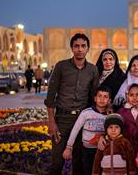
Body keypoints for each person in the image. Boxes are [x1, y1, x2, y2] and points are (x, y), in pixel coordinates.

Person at [44, 33, 99, 175]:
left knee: (79, 163)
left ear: (87, 49)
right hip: (62, 120)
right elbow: (50, 97)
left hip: (82, 120)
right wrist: (51, 122)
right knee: (57, 162)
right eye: (76, 46)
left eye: (83, 46)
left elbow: (94, 96)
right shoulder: (61, 66)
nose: (80, 49)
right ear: (72, 48)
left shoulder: (93, 70)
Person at [62, 86, 112, 175]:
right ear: (95, 98)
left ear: (109, 100)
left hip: (103, 151)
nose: (102, 99)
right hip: (87, 151)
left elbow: (113, 133)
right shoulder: (86, 112)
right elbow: (75, 129)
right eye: (99, 96)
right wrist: (69, 147)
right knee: (88, 171)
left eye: (105, 97)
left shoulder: (110, 115)